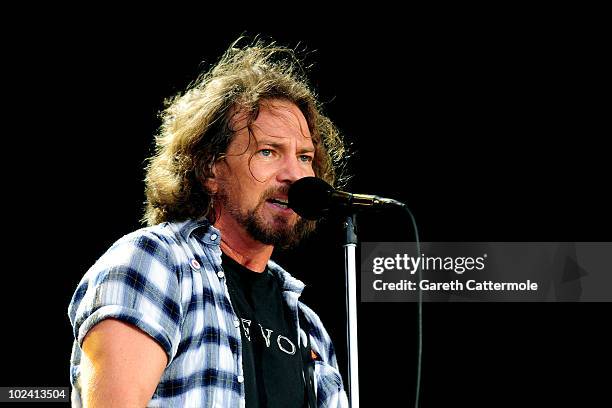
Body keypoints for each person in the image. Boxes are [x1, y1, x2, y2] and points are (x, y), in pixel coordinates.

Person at [68, 39, 349, 407]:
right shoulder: (155, 263)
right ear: (209, 168)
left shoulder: (307, 328)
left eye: (305, 157)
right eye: (268, 152)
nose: (296, 175)